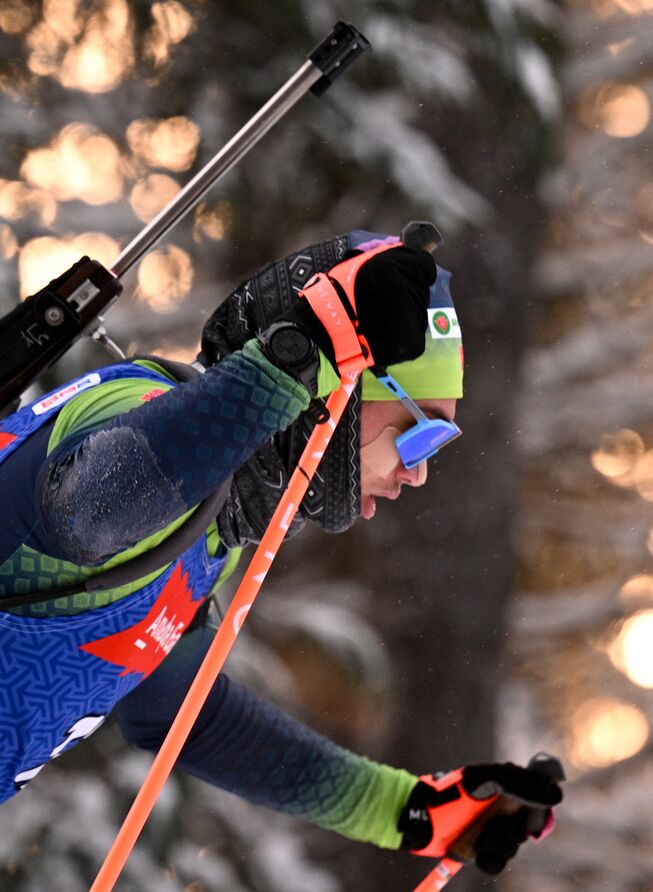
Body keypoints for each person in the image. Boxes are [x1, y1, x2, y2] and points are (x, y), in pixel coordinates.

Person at [0, 228, 561, 875]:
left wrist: (407, 810)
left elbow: (185, 718)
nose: (418, 471)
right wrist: (303, 348)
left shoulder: (206, 533)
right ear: (335, 386)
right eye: (419, 433)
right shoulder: (139, 417)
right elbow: (93, 509)